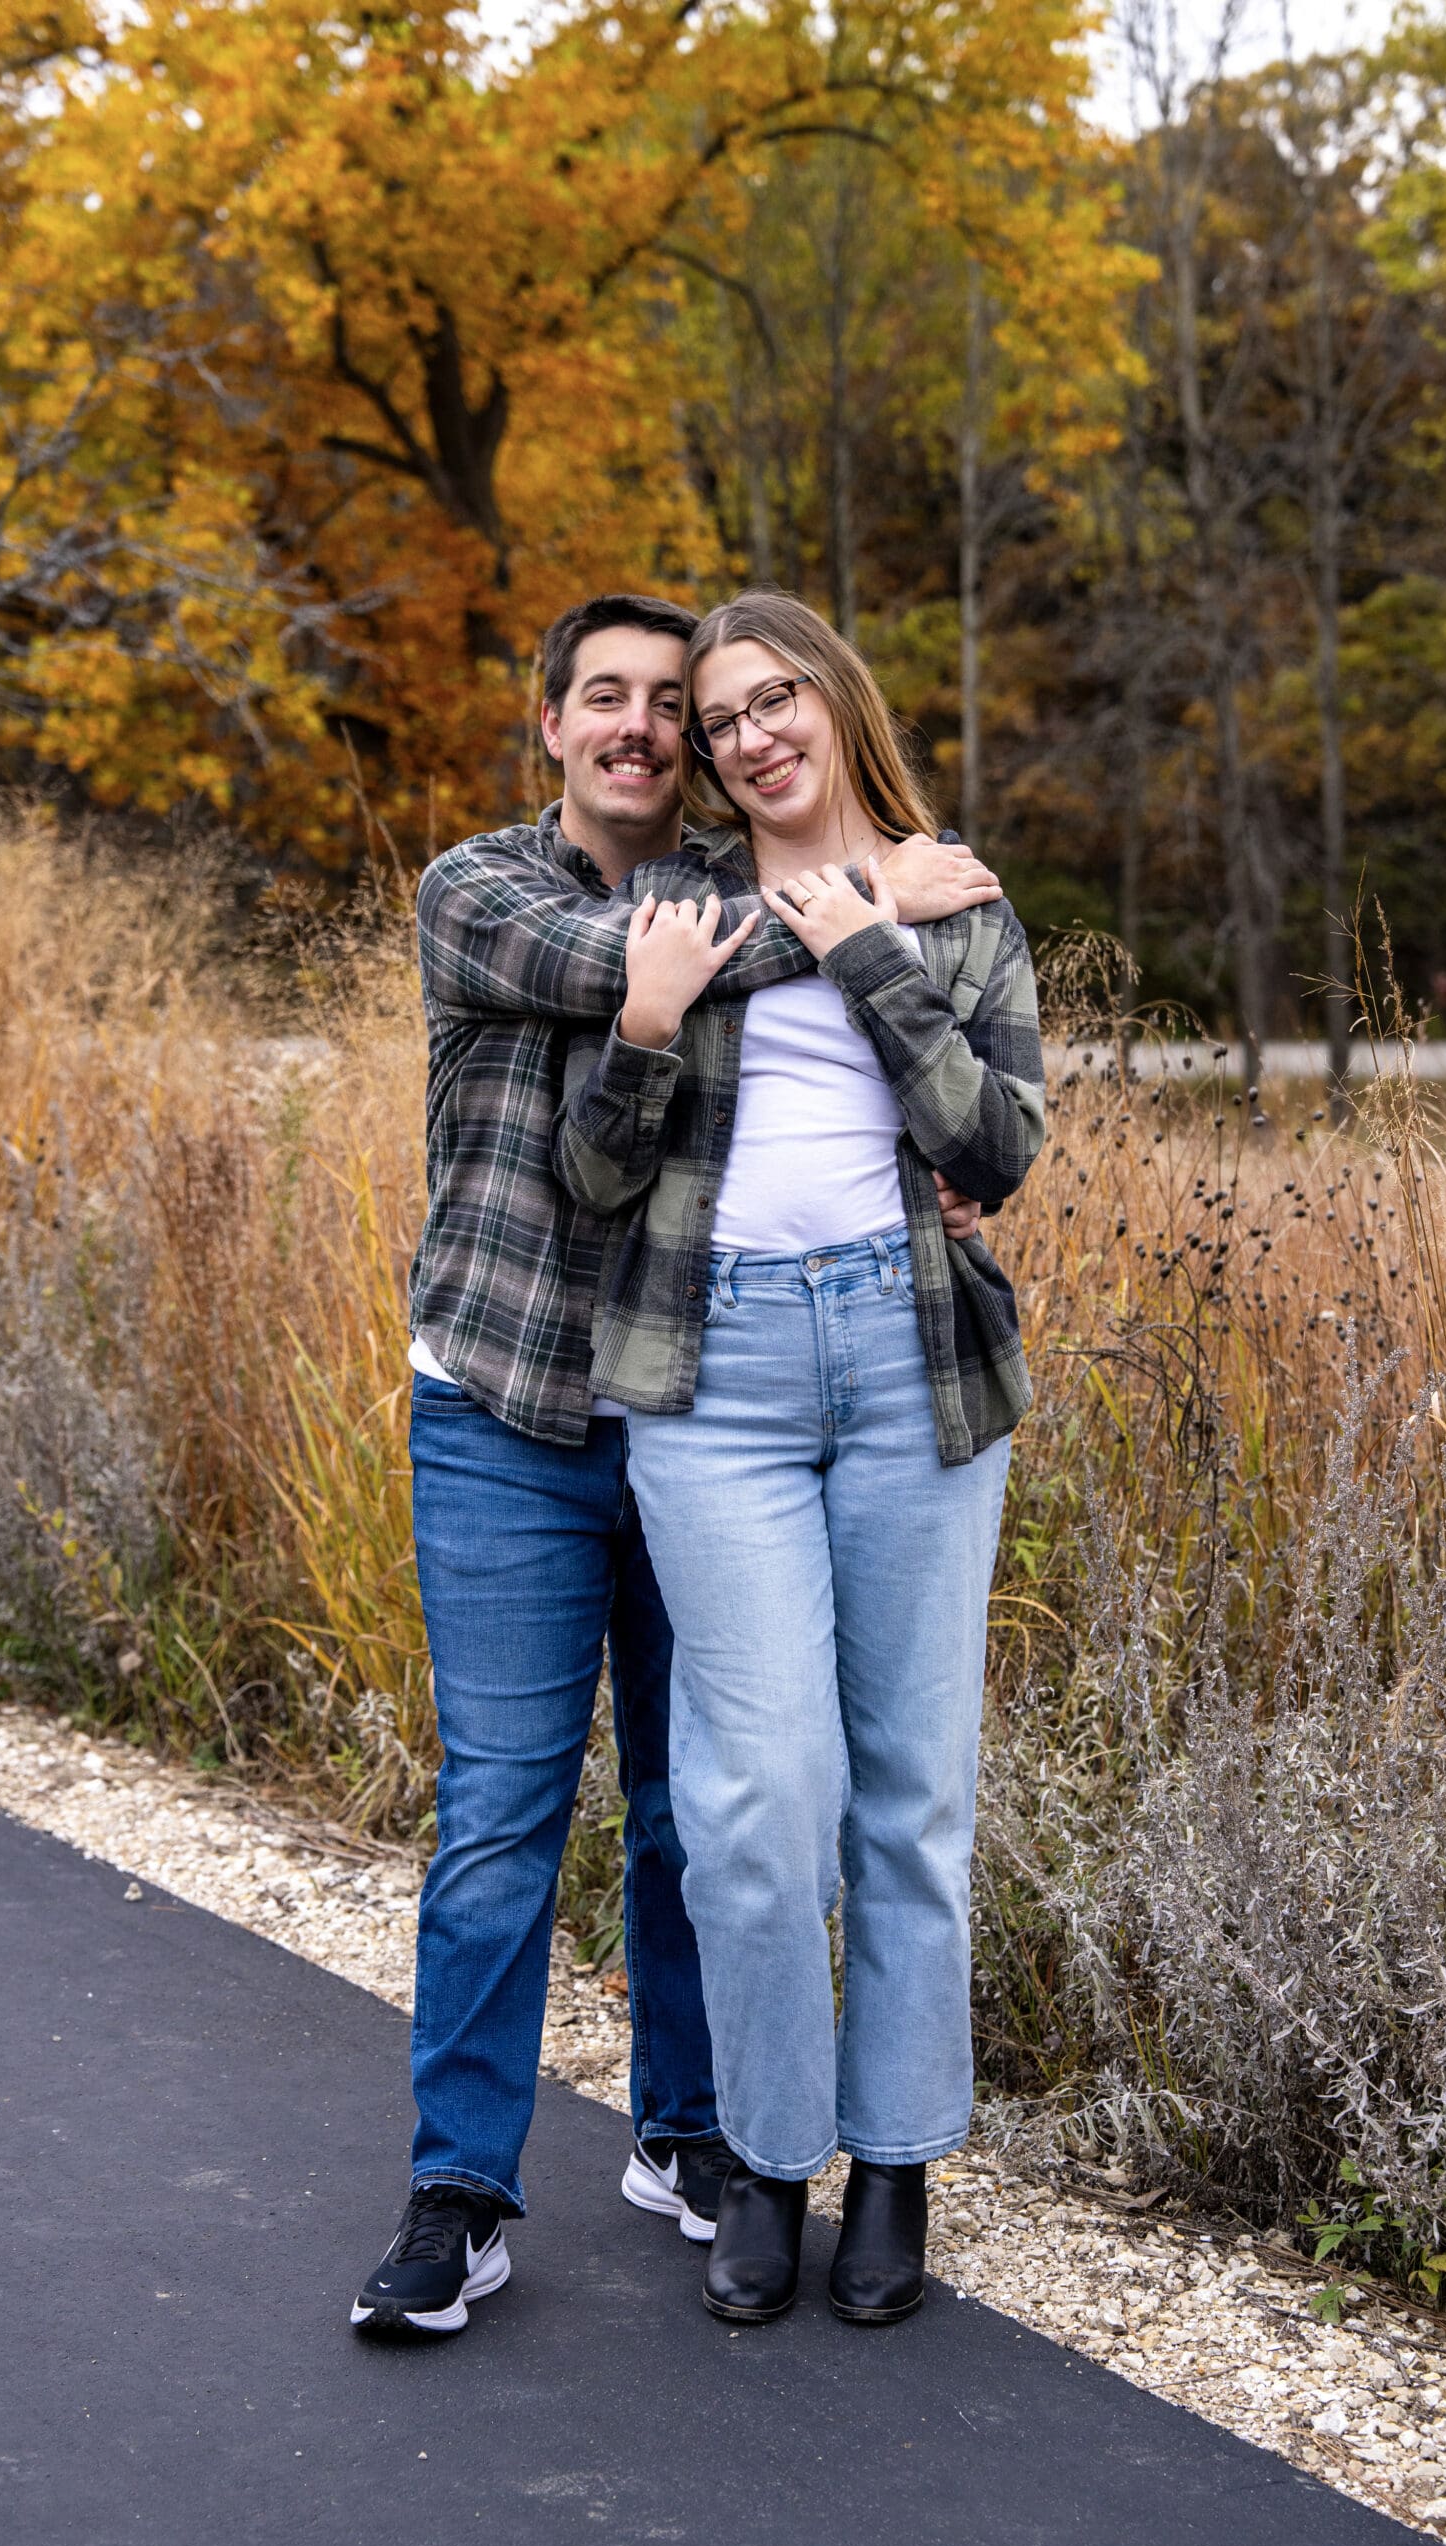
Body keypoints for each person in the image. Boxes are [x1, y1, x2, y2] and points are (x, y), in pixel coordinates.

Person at [349, 591, 1004, 2335]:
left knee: (703, 1803)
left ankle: (701, 2134)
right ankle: (462, 2193)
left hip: (697, 1388)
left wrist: (861, 928)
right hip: (510, 1408)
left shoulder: (726, 882)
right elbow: (629, 1002)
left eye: (683, 706)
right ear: (550, 720)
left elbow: (955, 1124)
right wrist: (874, 909)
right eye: (615, 700)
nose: (654, 728)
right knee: (506, 1809)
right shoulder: (485, 889)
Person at [553, 590, 1045, 2328]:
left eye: (778, 701)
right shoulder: (671, 912)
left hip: (916, 1368)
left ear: (839, 703)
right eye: (720, 713)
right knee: (756, 1805)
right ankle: (766, 2158)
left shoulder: (957, 894)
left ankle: (895, 2163)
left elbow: (998, 1140)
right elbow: (598, 1177)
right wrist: (650, 1022)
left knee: (913, 1796)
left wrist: (872, 949)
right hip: (718, 1374)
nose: (751, 734)